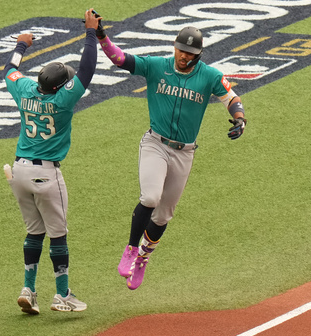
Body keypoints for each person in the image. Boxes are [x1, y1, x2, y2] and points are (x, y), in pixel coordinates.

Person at [96, 25, 247, 290]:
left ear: (198, 54)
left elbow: (231, 97)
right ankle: (131, 248)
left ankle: (143, 258)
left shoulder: (210, 76)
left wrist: (240, 119)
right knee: (151, 198)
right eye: (181, 50)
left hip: (184, 152)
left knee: (164, 215)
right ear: (174, 47)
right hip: (155, 143)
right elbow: (120, 59)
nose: (184, 56)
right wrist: (101, 36)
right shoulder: (157, 66)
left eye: (190, 53)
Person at [3, 9, 101, 313]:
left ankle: (28, 289)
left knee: (35, 232)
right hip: (47, 175)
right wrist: (90, 33)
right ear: (60, 88)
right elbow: (87, 71)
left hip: (18, 172)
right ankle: (62, 295)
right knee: (58, 235)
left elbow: (9, 70)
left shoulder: (25, 89)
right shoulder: (62, 101)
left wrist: (21, 45)